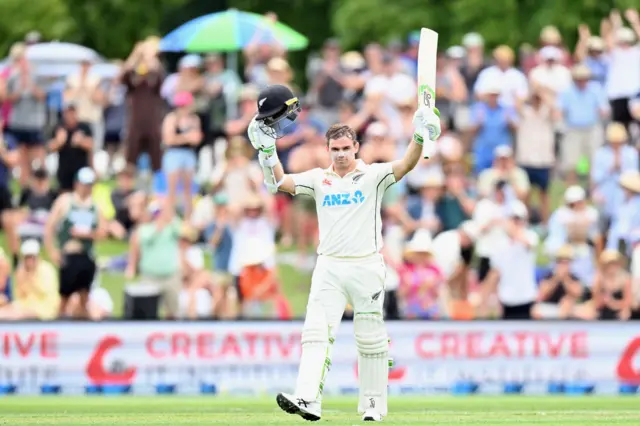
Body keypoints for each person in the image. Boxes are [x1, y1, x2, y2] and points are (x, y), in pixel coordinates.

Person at [247, 84, 441, 422]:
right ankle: (308, 400)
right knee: (315, 334)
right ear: (327, 149)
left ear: (356, 148)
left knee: (370, 340)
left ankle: (372, 407)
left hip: (366, 265)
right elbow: (280, 183)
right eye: (334, 148)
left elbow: (408, 164)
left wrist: (421, 137)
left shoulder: (373, 175)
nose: (340, 154)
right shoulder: (319, 179)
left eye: (346, 148)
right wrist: (267, 153)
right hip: (329, 268)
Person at [44, 168, 106, 318]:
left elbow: (103, 232)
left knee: (84, 297)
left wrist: (88, 234)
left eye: (89, 185)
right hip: (69, 255)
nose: (86, 188)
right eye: (84, 184)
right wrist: (52, 250)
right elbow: (49, 227)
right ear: (77, 184)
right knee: (64, 298)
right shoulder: (65, 201)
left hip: (86, 256)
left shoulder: (95, 206)